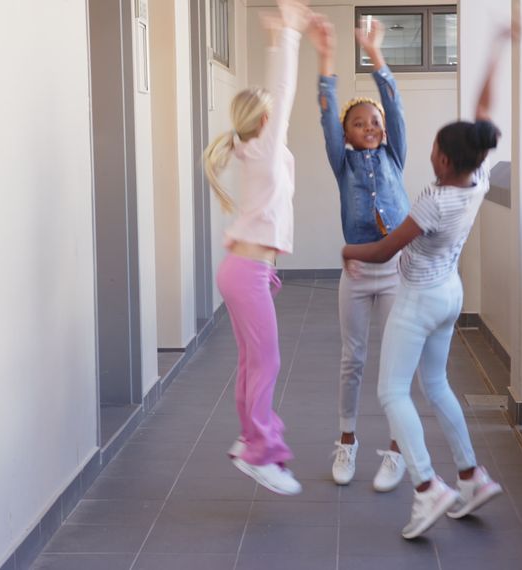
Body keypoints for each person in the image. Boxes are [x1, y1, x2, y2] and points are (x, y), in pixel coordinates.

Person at [340, 26, 514, 538]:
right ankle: (471, 477)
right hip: (450, 295)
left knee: (392, 391)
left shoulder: (435, 201)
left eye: (435, 148)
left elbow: (384, 250)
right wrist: (496, 48)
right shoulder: (478, 177)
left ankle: (426, 486)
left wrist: (348, 250)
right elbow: (483, 112)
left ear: (441, 160)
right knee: (435, 385)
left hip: (417, 300)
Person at [202, 0, 312, 496]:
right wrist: (289, 33)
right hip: (246, 271)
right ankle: (260, 452)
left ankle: (251, 437)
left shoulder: (259, 152)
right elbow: (283, 91)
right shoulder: (263, 150)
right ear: (265, 120)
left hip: (245, 269)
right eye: (275, 118)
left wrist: (274, 38)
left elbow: (275, 101)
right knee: (266, 362)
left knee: (254, 361)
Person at [308, 15, 408, 491]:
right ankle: (346, 440)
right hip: (358, 273)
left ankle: (397, 448)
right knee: (354, 359)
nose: (369, 126)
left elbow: (394, 103)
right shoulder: (342, 163)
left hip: (398, 272)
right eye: (358, 123)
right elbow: (327, 112)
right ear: (346, 133)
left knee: (396, 361)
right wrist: (327, 54)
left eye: (375, 122)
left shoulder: (394, 156)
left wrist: (374, 53)